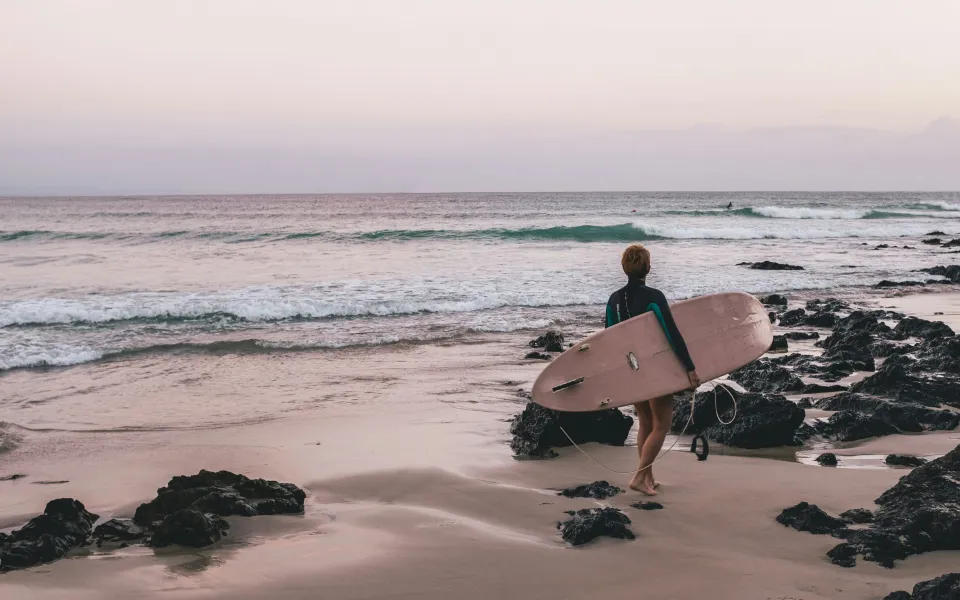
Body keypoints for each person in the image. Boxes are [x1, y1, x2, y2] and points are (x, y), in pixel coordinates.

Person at [605, 244, 700, 495]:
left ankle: (648, 478)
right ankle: (638, 478)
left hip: (632, 371)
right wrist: (689, 368)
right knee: (661, 425)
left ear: (624, 268)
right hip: (655, 370)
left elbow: (609, 341)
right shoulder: (654, 297)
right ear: (648, 267)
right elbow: (672, 335)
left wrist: (617, 376)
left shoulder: (613, 300)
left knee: (646, 423)